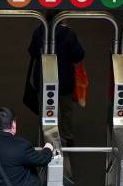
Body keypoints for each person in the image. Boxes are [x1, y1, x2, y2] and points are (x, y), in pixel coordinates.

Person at [27, 17, 85, 146]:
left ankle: (46, 135)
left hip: (43, 78)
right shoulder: (69, 33)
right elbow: (78, 55)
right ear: (62, 18)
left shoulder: (39, 31)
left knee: (46, 107)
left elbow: (32, 51)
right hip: (65, 80)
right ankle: (67, 136)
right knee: (66, 110)